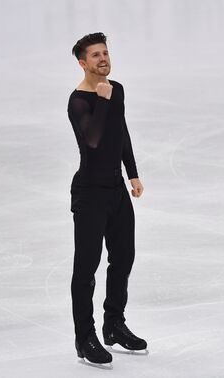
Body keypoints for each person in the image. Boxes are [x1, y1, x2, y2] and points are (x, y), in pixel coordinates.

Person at [67, 32, 147, 364]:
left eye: (105, 53)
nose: (103, 59)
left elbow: (120, 131)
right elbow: (95, 140)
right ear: (83, 63)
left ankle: (114, 324)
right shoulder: (79, 101)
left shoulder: (117, 90)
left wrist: (132, 172)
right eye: (95, 55)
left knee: (123, 258)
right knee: (86, 268)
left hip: (116, 189)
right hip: (90, 194)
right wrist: (102, 100)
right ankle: (85, 337)